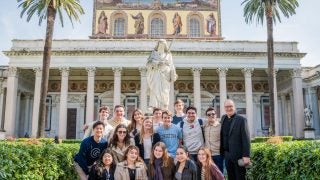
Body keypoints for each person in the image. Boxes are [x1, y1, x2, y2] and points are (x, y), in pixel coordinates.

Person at [220, 99, 250, 180]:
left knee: (240, 177)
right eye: (226, 107)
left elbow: (246, 138)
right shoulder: (223, 118)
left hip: (238, 156)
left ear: (234, 107)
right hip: (227, 155)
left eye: (230, 106)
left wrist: (246, 155)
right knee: (230, 177)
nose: (229, 108)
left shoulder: (241, 120)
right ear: (224, 108)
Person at [146, 39, 177, 110]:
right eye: (160, 45)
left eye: (163, 45)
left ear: (165, 46)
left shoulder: (168, 55)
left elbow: (171, 65)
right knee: (154, 89)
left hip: (165, 74)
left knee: (165, 90)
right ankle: (153, 105)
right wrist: (156, 63)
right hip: (156, 73)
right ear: (157, 46)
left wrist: (173, 74)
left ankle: (165, 105)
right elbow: (148, 64)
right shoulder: (153, 54)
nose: (161, 47)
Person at [204, 107, 224, 173]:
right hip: (207, 155)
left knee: (219, 175)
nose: (211, 116)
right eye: (209, 115)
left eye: (213, 114)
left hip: (218, 155)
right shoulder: (205, 126)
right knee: (209, 175)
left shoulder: (221, 126)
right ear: (206, 116)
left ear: (216, 115)